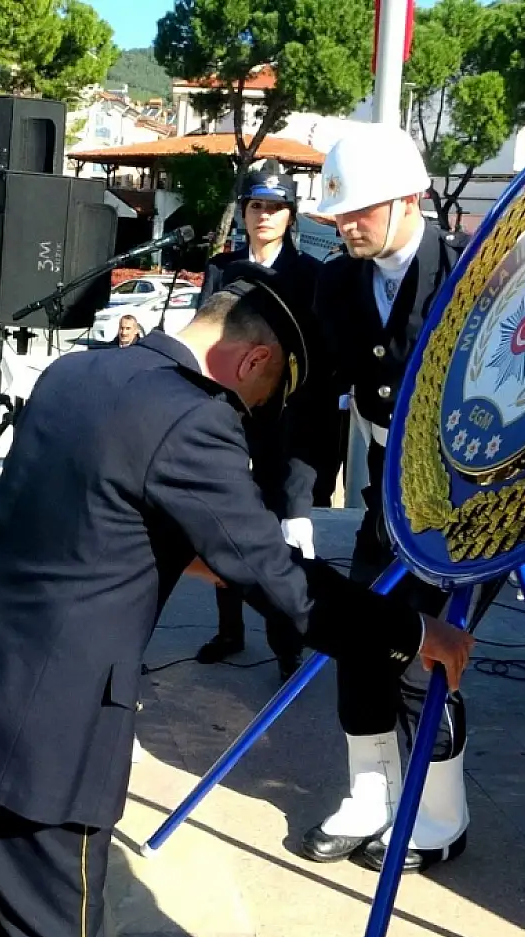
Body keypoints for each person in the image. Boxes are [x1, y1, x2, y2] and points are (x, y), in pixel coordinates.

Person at [0, 273, 477, 937]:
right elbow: (278, 579)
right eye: (260, 402)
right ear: (254, 361)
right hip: (38, 741)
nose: (249, 417)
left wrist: (184, 550)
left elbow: (85, 515)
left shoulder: (77, 372)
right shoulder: (194, 420)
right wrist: (412, 629)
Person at [290, 123, 525, 875]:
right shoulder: (336, 282)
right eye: (339, 213)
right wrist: (298, 496)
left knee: (428, 654)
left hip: (471, 494)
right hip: (388, 484)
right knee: (358, 634)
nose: (346, 223)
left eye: (362, 209)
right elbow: (324, 396)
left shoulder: (478, 272)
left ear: (410, 197)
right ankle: (369, 792)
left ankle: (439, 810)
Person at [191, 167, 331, 680]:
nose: (264, 215)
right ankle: (230, 632)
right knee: (219, 527)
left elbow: (322, 360)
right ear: (245, 212)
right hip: (228, 420)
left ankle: (289, 644)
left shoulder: (314, 274)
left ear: (290, 215)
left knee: (285, 540)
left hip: (290, 427)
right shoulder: (221, 270)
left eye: (275, 207)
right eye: (256, 206)